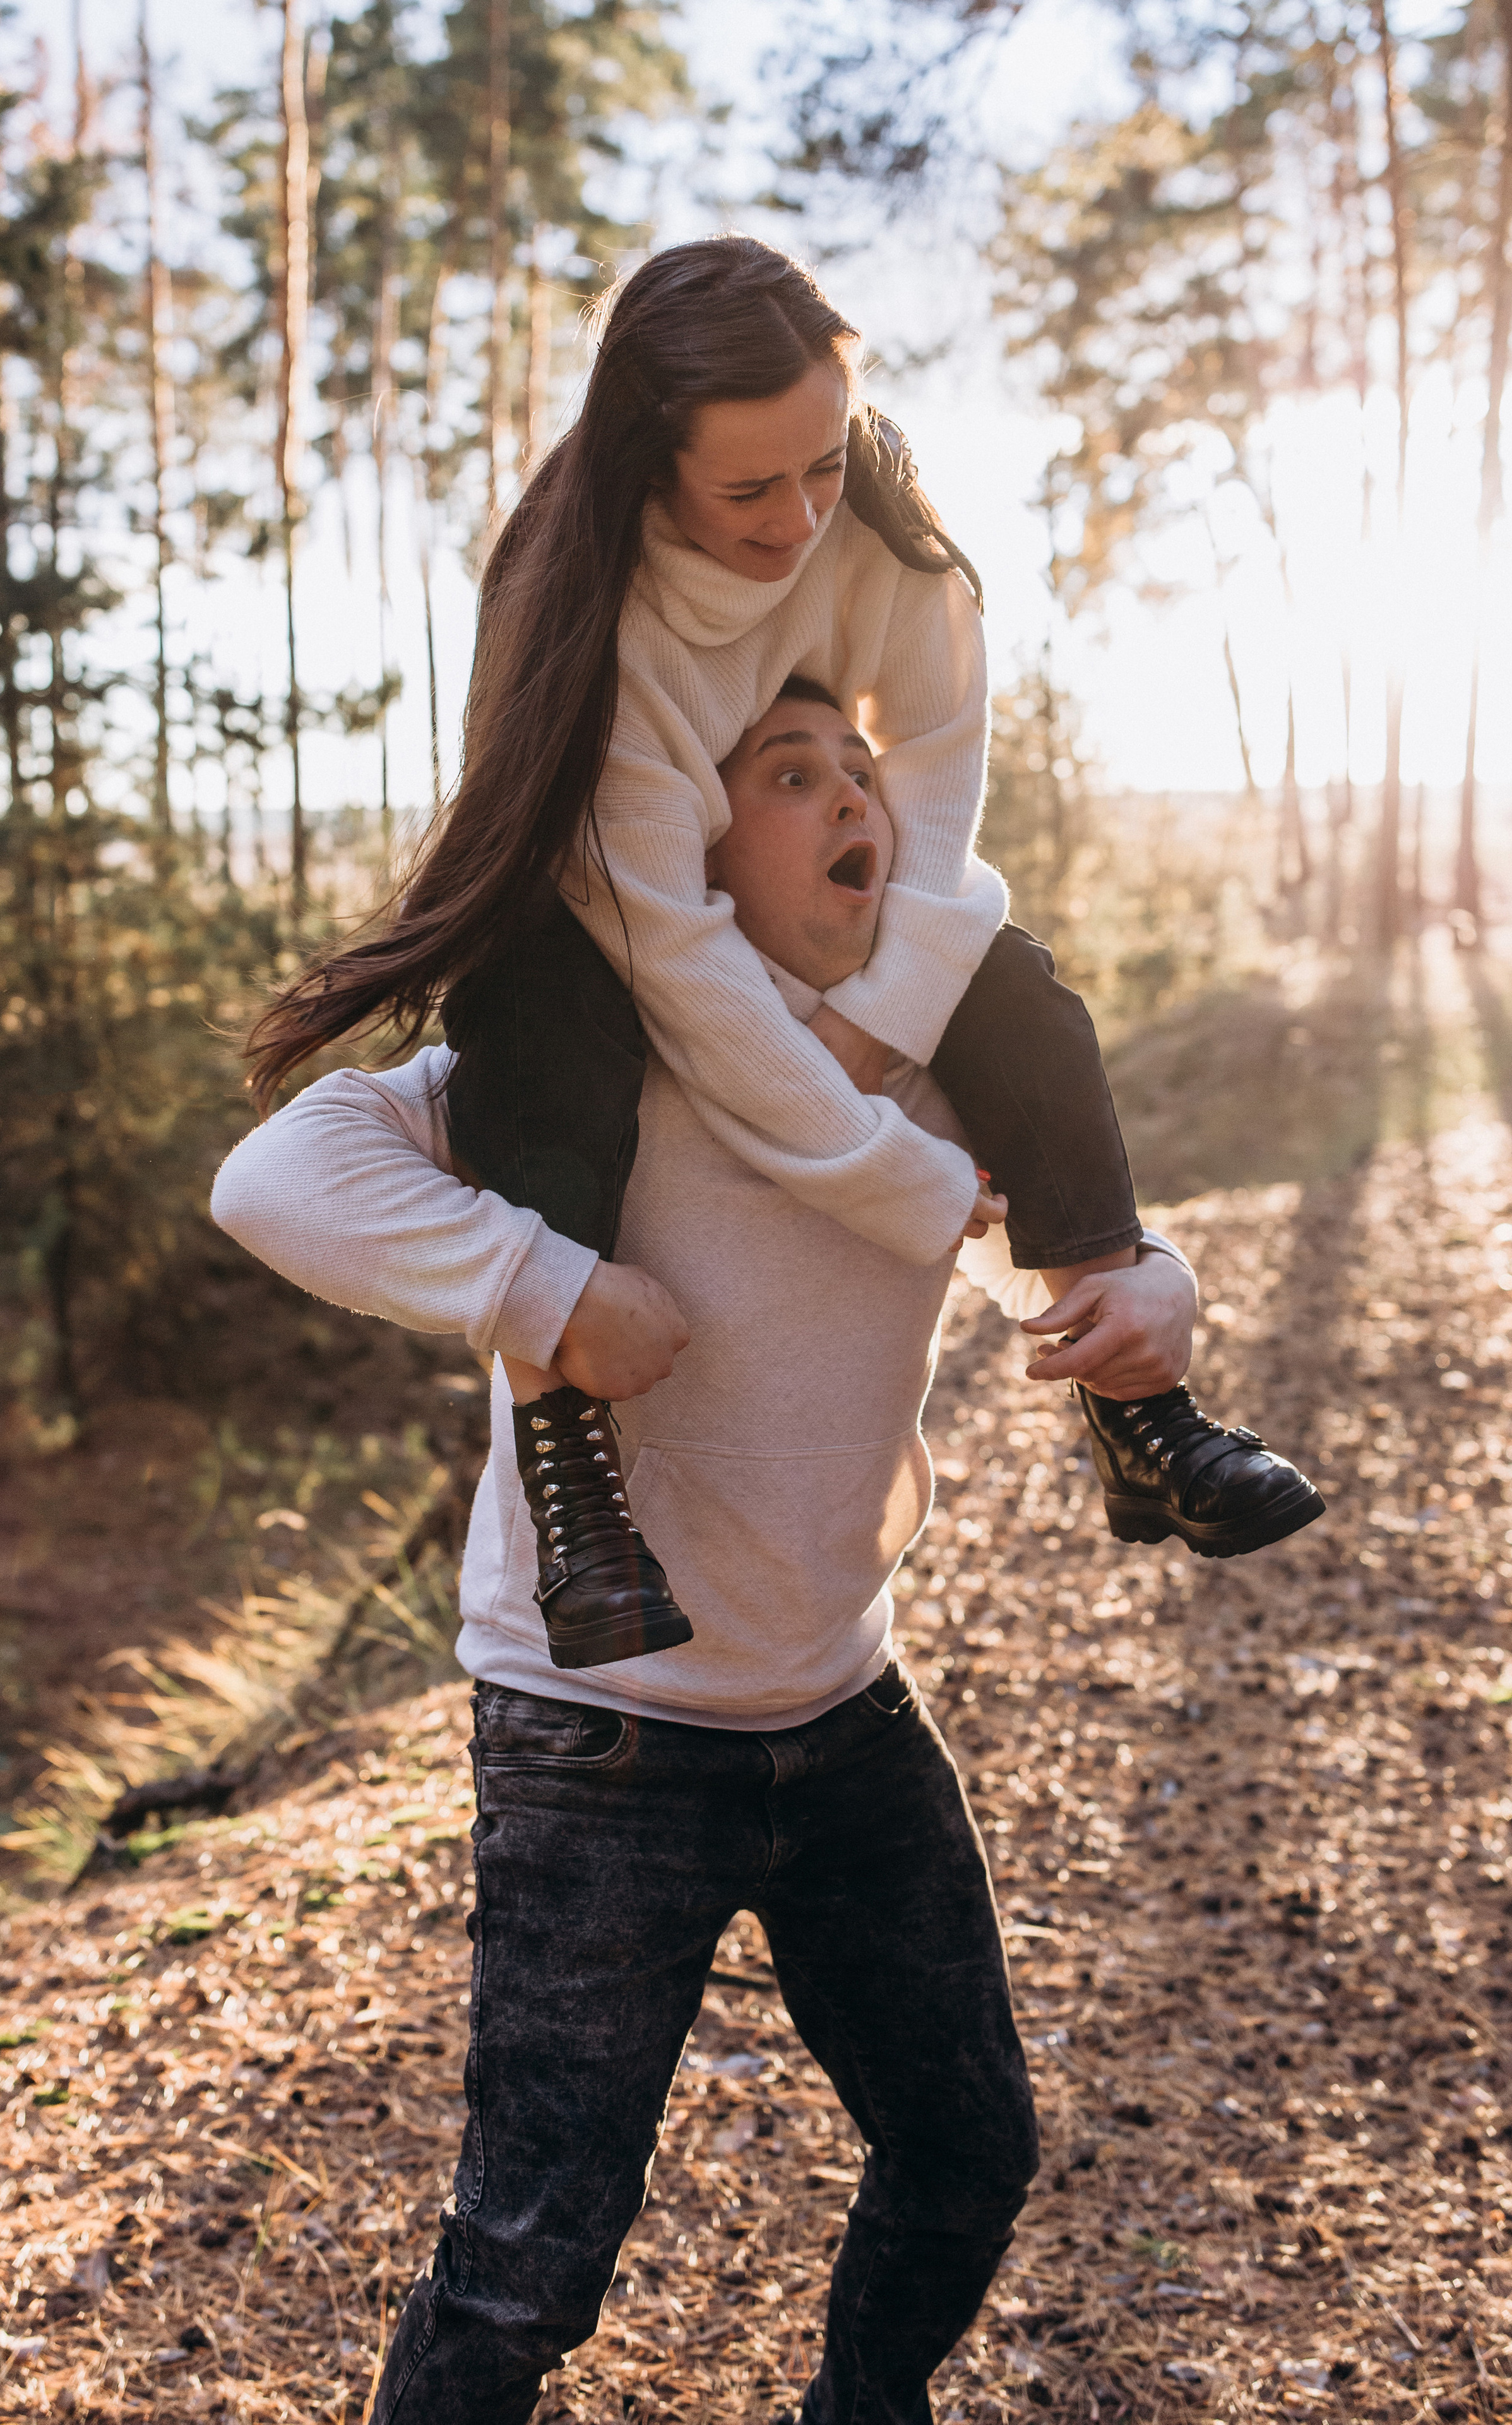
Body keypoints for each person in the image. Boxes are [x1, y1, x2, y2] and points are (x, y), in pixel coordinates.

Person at [211, 680, 1204, 2423]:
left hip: (845, 1717)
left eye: (866, 777)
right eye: (791, 773)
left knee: (972, 2152)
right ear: (694, 842)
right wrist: (549, 1286)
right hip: (602, 1740)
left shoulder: (929, 1074)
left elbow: (1057, 1267)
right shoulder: (580, 1080)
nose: (851, 806)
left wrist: (1157, 1285)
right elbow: (278, 1177)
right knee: (528, 2268)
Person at [241, 234, 1323, 1672]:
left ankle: (1141, 1421)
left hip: (839, 1669)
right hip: (611, 947)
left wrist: (890, 1020)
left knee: (1006, 973)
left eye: (823, 460)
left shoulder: (877, 526)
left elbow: (934, 779)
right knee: (544, 990)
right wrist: (899, 1172)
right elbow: (680, 969)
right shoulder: (587, 623)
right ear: (647, 464)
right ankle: (577, 1481)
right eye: (749, 487)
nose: (801, 516)